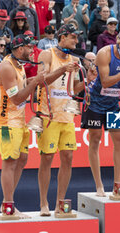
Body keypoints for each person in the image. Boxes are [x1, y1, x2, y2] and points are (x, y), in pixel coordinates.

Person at [36, 24, 96, 216]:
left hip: (67, 115)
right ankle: (43, 203)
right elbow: (40, 80)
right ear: (62, 37)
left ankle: (60, 203)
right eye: (73, 37)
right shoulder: (47, 55)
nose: (76, 41)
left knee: (68, 158)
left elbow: (72, 89)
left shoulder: (72, 59)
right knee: (46, 159)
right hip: (48, 115)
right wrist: (62, 69)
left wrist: (88, 81)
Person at [80, 26, 120, 197]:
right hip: (94, 103)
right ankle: (99, 186)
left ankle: (118, 185)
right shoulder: (104, 53)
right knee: (95, 141)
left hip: (112, 104)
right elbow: (106, 82)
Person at [0, 34, 45, 218]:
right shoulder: (7, 67)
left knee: (22, 159)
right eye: (30, 47)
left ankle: (7, 202)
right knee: (9, 162)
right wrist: (36, 82)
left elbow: (21, 87)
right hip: (5, 123)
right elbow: (16, 98)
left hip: (18, 119)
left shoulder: (18, 64)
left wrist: (37, 81)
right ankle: (8, 207)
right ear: (20, 48)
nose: (33, 51)